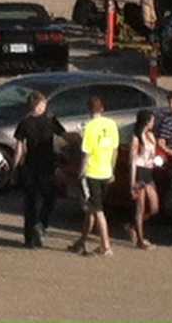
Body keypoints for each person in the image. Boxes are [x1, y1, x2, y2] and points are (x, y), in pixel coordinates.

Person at [11, 91, 65, 249]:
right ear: (40, 105)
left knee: (30, 203)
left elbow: (19, 148)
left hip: (29, 166)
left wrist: (15, 168)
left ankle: (29, 239)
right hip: (47, 166)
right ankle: (41, 224)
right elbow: (63, 135)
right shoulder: (50, 120)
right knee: (49, 197)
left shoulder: (24, 123)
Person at [68, 95, 118, 257]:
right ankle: (81, 241)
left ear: (89, 110)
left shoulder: (89, 127)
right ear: (102, 109)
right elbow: (114, 150)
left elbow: (87, 153)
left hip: (93, 172)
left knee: (97, 210)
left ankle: (106, 244)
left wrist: (80, 172)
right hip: (106, 171)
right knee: (91, 209)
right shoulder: (111, 125)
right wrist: (112, 169)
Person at [127, 110, 159, 250]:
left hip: (149, 172)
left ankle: (132, 226)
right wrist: (132, 182)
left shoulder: (151, 136)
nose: (153, 123)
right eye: (152, 120)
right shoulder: (136, 138)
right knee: (140, 208)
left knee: (154, 207)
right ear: (146, 121)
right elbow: (132, 161)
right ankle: (140, 239)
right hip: (140, 172)